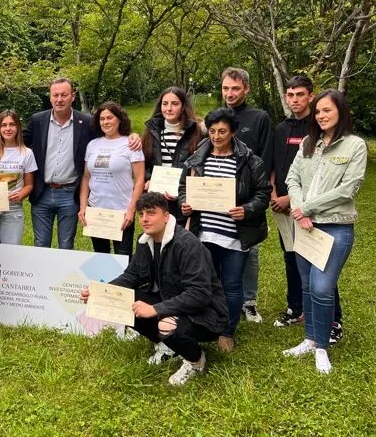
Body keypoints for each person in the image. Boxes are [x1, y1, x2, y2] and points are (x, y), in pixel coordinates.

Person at [80, 192, 227, 386]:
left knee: (167, 324)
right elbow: (131, 276)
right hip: (172, 300)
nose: (144, 219)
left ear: (166, 216)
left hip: (206, 313)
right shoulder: (145, 240)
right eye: (141, 214)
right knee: (122, 301)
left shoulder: (187, 245)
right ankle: (168, 346)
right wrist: (101, 292)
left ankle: (195, 360)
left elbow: (199, 294)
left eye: (151, 213)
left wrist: (156, 309)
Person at [282, 89, 367, 374]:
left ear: (341, 112)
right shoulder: (308, 142)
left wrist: (308, 207)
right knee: (306, 285)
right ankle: (309, 338)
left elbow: (348, 188)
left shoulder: (355, 146)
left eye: (327, 110)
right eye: (318, 111)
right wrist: (299, 209)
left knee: (322, 286)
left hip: (335, 226)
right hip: (304, 225)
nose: (321, 116)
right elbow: (292, 177)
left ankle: (322, 347)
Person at [179, 107, 270, 352]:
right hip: (204, 232)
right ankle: (207, 325)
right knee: (206, 282)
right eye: (212, 131)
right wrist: (184, 204)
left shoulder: (250, 160)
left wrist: (247, 209)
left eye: (222, 131)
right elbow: (183, 188)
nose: (217, 136)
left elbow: (263, 194)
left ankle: (227, 331)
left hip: (233, 236)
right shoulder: (198, 157)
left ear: (233, 132)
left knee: (231, 285)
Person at [11, 78, 141, 249]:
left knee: (66, 244)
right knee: (40, 244)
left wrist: (133, 136)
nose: (59, 99)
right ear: (50, 97)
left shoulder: (86, 122)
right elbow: (16, 141)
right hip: (42, 191)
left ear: (72, 96)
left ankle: (64, 276)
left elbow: (111, 132)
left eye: (64, 95)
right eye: (55, 95)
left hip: (69, 193)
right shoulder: (38, 120)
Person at [270, 77, 345, 344]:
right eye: (290, 95)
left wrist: (293, 201)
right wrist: (274, 194)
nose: (294, 100)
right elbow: (276, 165)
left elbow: (315, 176)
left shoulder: (316, 130)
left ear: (310, 97)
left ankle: (334, 321)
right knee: (291, 258)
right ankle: (296, 308)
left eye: (300, 95)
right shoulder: (280, 128)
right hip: (281, 205)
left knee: (319, 264)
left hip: (309, 210)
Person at [221, 67, 272, 324]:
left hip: (248, 195)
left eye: (236, 88)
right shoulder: (216, 118)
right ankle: (222, 296)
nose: (230, 93)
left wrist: (257, 195)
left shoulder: (259, 117)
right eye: (226, 88)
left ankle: (249, 302)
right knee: (218, 246)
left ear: (246, 89)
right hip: (216, 195)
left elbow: (264, 157)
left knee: (249, 250)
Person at [79, 102, 145, 256]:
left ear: (119, 119)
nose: (106, 122)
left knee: (123, 258)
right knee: (101, 257)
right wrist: (83, 207)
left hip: (121, 211)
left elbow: (140, 180)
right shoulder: (92, 145)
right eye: (102, 119)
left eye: (110, 117)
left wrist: (131, 211)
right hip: (96, 209)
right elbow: (85, 178)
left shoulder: (130, 144)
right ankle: (103, 282)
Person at [142, 87, 204, 224]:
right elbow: (143, 163)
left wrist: (184, 191)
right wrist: (148, 179)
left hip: (184, 200)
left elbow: (201, 166)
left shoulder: (196, 132)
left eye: (174, 104)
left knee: (180, 239)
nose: (168, 108)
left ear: (183, 107)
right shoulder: (151, 131)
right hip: (156, 198)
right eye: (165, 104)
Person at [0, 110, 37, 244]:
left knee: (11, 251)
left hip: (13, 208)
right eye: (4, 125)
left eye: (12, 125)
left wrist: (21, 194)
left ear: (18, 127)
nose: (8, 129)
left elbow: (29, 185)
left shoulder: (27, 153)